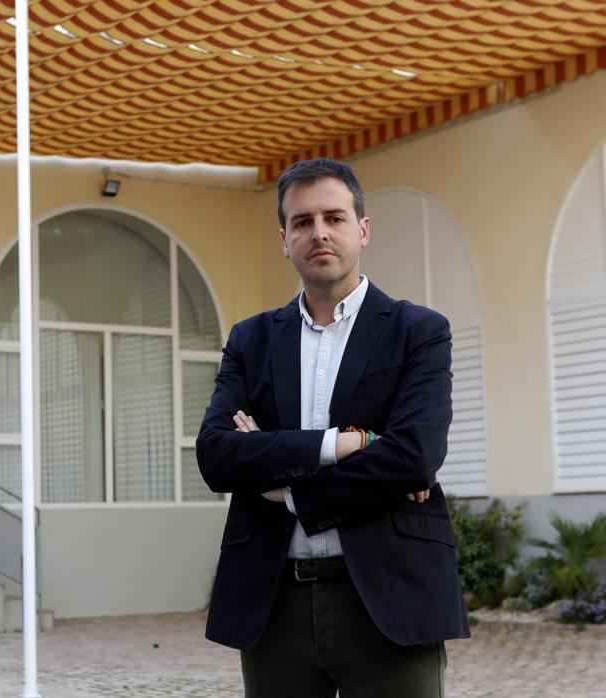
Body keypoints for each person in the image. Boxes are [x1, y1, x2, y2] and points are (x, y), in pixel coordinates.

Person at [196, 158, 469, 697]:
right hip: (274, 604)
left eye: (334, 218)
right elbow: (217, 455)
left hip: (389, 598)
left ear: (362, 230)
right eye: (302, 222)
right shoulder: (250, 341)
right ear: (285, 239)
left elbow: (414, 456)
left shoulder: (420, 332)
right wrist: (345, 444)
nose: (318, 232)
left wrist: (288, 486)